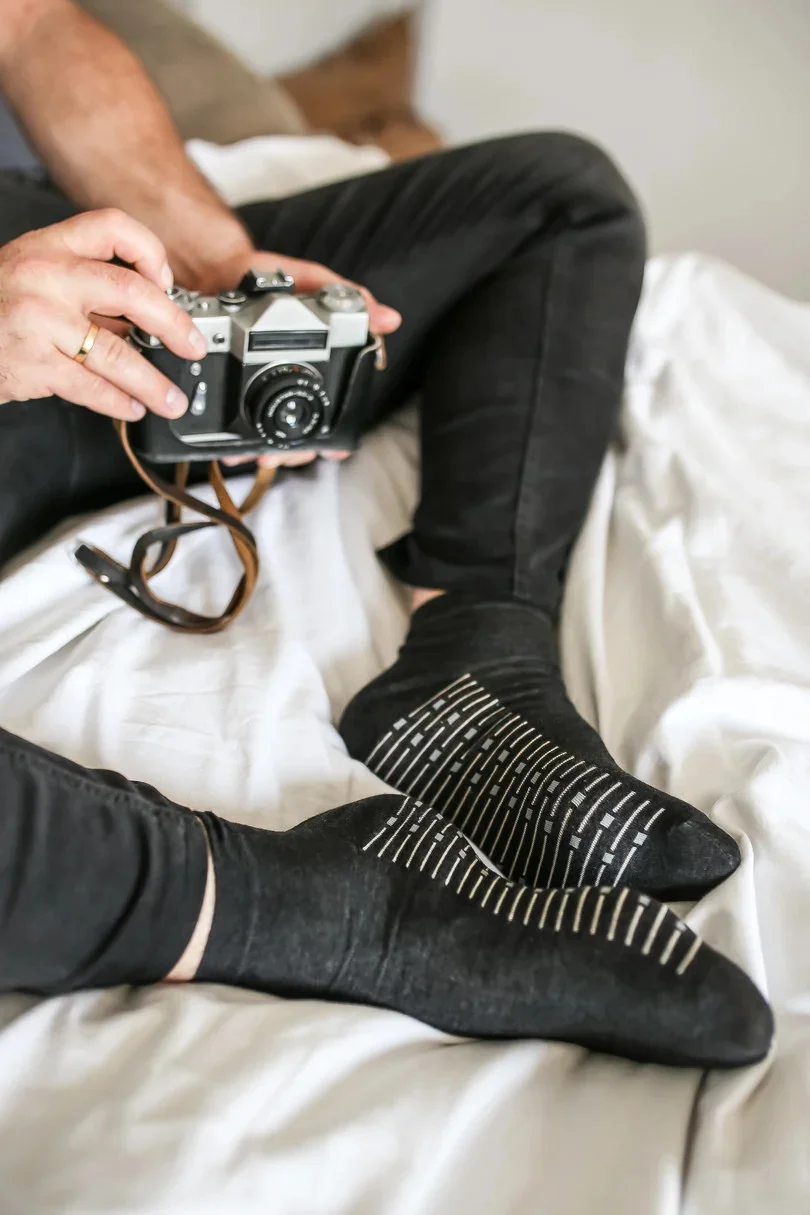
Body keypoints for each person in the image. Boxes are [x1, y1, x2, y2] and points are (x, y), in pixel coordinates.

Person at [0, 0, 772, 1068]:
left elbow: (29, 25)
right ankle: (328, 904)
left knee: (559, 200)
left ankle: (472, 657)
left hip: (56, 300)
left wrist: (217, 261)